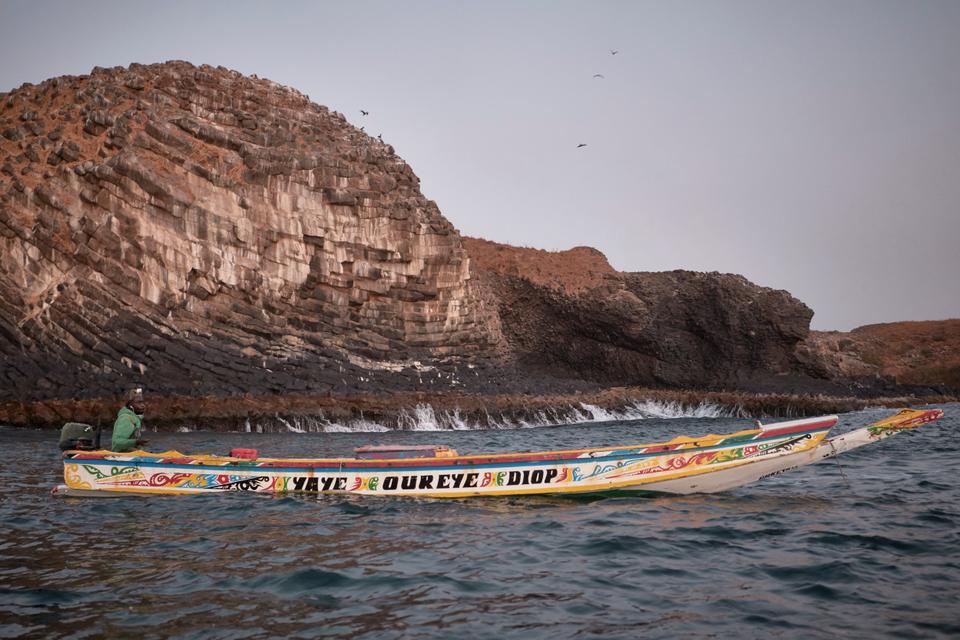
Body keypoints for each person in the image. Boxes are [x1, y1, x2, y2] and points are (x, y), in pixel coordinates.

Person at [111, 387, 149, 452]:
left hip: (132, 455)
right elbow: (117, 443)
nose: (143, 405)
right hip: (121, 457)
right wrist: (136, 442)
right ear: (130, 405)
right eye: (139, 403)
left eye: (142, 402)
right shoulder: (126, 419)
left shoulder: (134, 418)